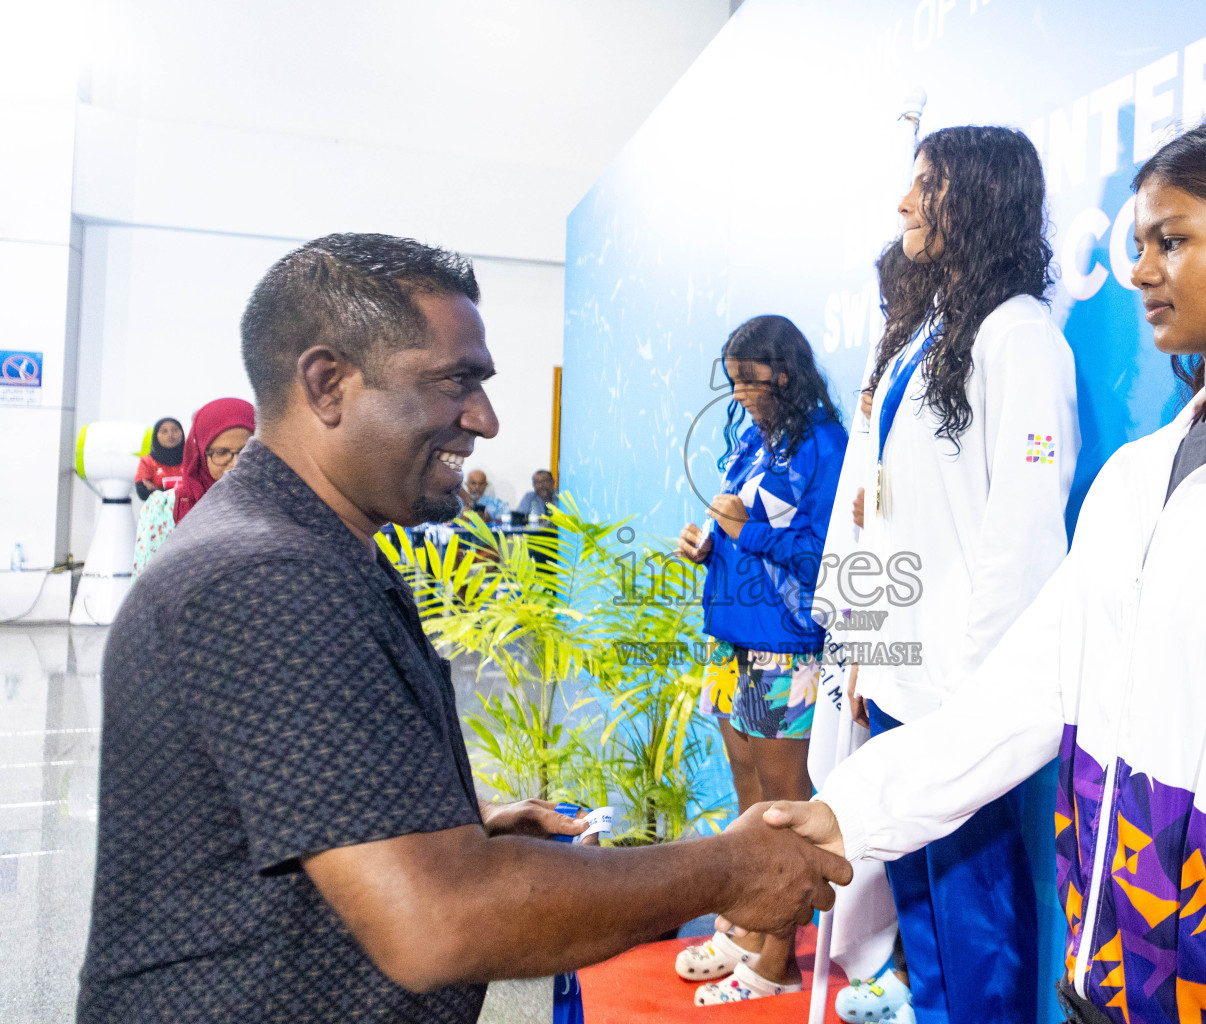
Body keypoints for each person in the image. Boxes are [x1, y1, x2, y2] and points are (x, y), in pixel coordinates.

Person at [765, 114, 1206, 1024]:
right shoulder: (1138, 477)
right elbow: (1026, 688)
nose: (1140, 270)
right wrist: (848, 813)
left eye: (1173, 241)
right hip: (1111, 975)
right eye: (1138, 243)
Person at [81, 233, 851, 1024]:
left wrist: (448, 826)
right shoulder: (266, 576)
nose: (483, 418)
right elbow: (438, 921)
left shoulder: (303, 546)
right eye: (457, 382)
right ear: (327, 383)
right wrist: (725, 871)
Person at [837, 124, 1080, 1024]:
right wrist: (868, 650)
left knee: (977, 924)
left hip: (963, 697)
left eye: (927, 184)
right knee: (924, 915)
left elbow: (1020, 539)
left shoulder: (1020, 338)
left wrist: (975, 703)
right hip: (903, 680)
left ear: (977, 198)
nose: (904, 202)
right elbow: (887, 515)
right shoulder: (929, 336)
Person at [673, 314, 848, 1005]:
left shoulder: (824, 444)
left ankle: (779, 962)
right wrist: (713, 545)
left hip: (788, 645)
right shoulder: (752, 439)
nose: (740, 393)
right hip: (733, 640)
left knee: (784, 810)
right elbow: (739, 531)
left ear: (786, 371)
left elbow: (824, 555)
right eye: (734, 380)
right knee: (748, 798)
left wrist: (747, 534)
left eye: (750, 379)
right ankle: (749, 926)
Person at [131, 398, 254, 578]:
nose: (235, 464)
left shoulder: (276, 504)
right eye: (221, 453)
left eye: (246, 451)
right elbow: (145, 590)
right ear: (200, 455)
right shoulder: (164, 510)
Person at [134, 417, 184, 500]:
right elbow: (143, 493)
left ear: (182, 433)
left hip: (191, 512)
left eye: (175, 430)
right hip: (159, 512)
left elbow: (199, 491)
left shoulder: (191, 459)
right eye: (164, 431)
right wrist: (181, 494)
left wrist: (157, 490)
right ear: (156, 435)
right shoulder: (147, 461)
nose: (170, 435)